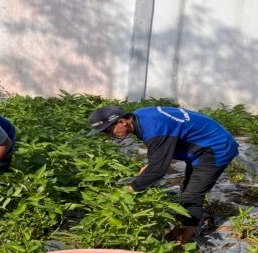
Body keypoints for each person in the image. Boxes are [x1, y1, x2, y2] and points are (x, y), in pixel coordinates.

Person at [87, 105, 238, 244]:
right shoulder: (140, 116)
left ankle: (182, 243)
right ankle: (180, 228)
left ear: (122, 122)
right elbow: (168, 138)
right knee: (186, 190)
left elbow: (158, 170)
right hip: (204, 142)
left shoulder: (153, 129)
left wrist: (130, 189)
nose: (109, 136)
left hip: (216, 147)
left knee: (191, 196)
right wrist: (154, 163)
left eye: (108, 131)